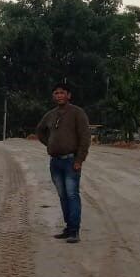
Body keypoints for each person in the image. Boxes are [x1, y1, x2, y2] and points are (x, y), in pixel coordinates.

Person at [36, 81, 90, 243]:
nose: (59, 95)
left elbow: (85, 138)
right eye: (56, 93)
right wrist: (50, 144)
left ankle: (74, 231)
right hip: (55, 163)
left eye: (62, 93)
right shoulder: (51, 114)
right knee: (63, 195)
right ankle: (68, 228)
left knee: (72, 195)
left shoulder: (77, 113)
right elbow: (40, 130)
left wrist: (79, 159)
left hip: (71, 161)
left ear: (68, 95)